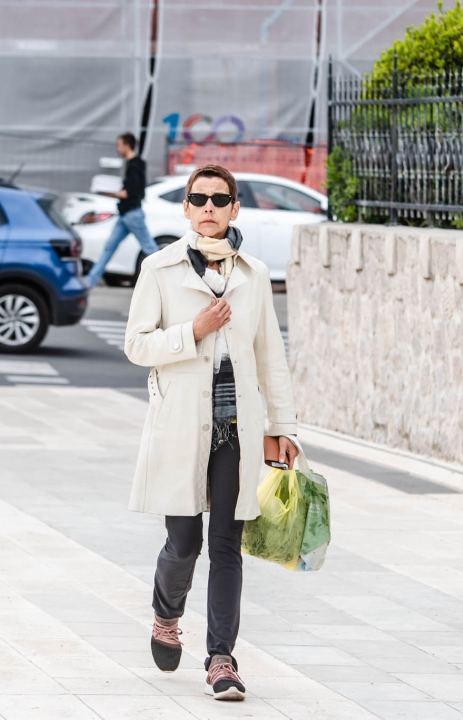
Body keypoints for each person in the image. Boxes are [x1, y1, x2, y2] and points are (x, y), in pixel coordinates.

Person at [124, 164, 298, 701]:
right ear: (185, 207)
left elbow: (270, 356)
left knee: (227, 545)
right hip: (181, 425)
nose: (208, 208)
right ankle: (166, 615)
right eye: (198, 199)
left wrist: (282, 426)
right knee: (184, 543)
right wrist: (192, 332)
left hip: (236, 430)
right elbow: (137, 345)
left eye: (219, 200)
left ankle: (222, 659)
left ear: (234, 208)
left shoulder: (255, 273)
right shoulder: (159, 268)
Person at [86, 132, 160, 287]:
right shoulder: (131, 163)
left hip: (132, 214)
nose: (117, 148)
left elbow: (128, 193)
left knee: (149, 248)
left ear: (127, 145)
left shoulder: (135, 164)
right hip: (125, 214)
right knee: (109, 247)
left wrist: (104, 192)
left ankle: (166, 277)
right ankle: (90, 281)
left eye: (119, 145)